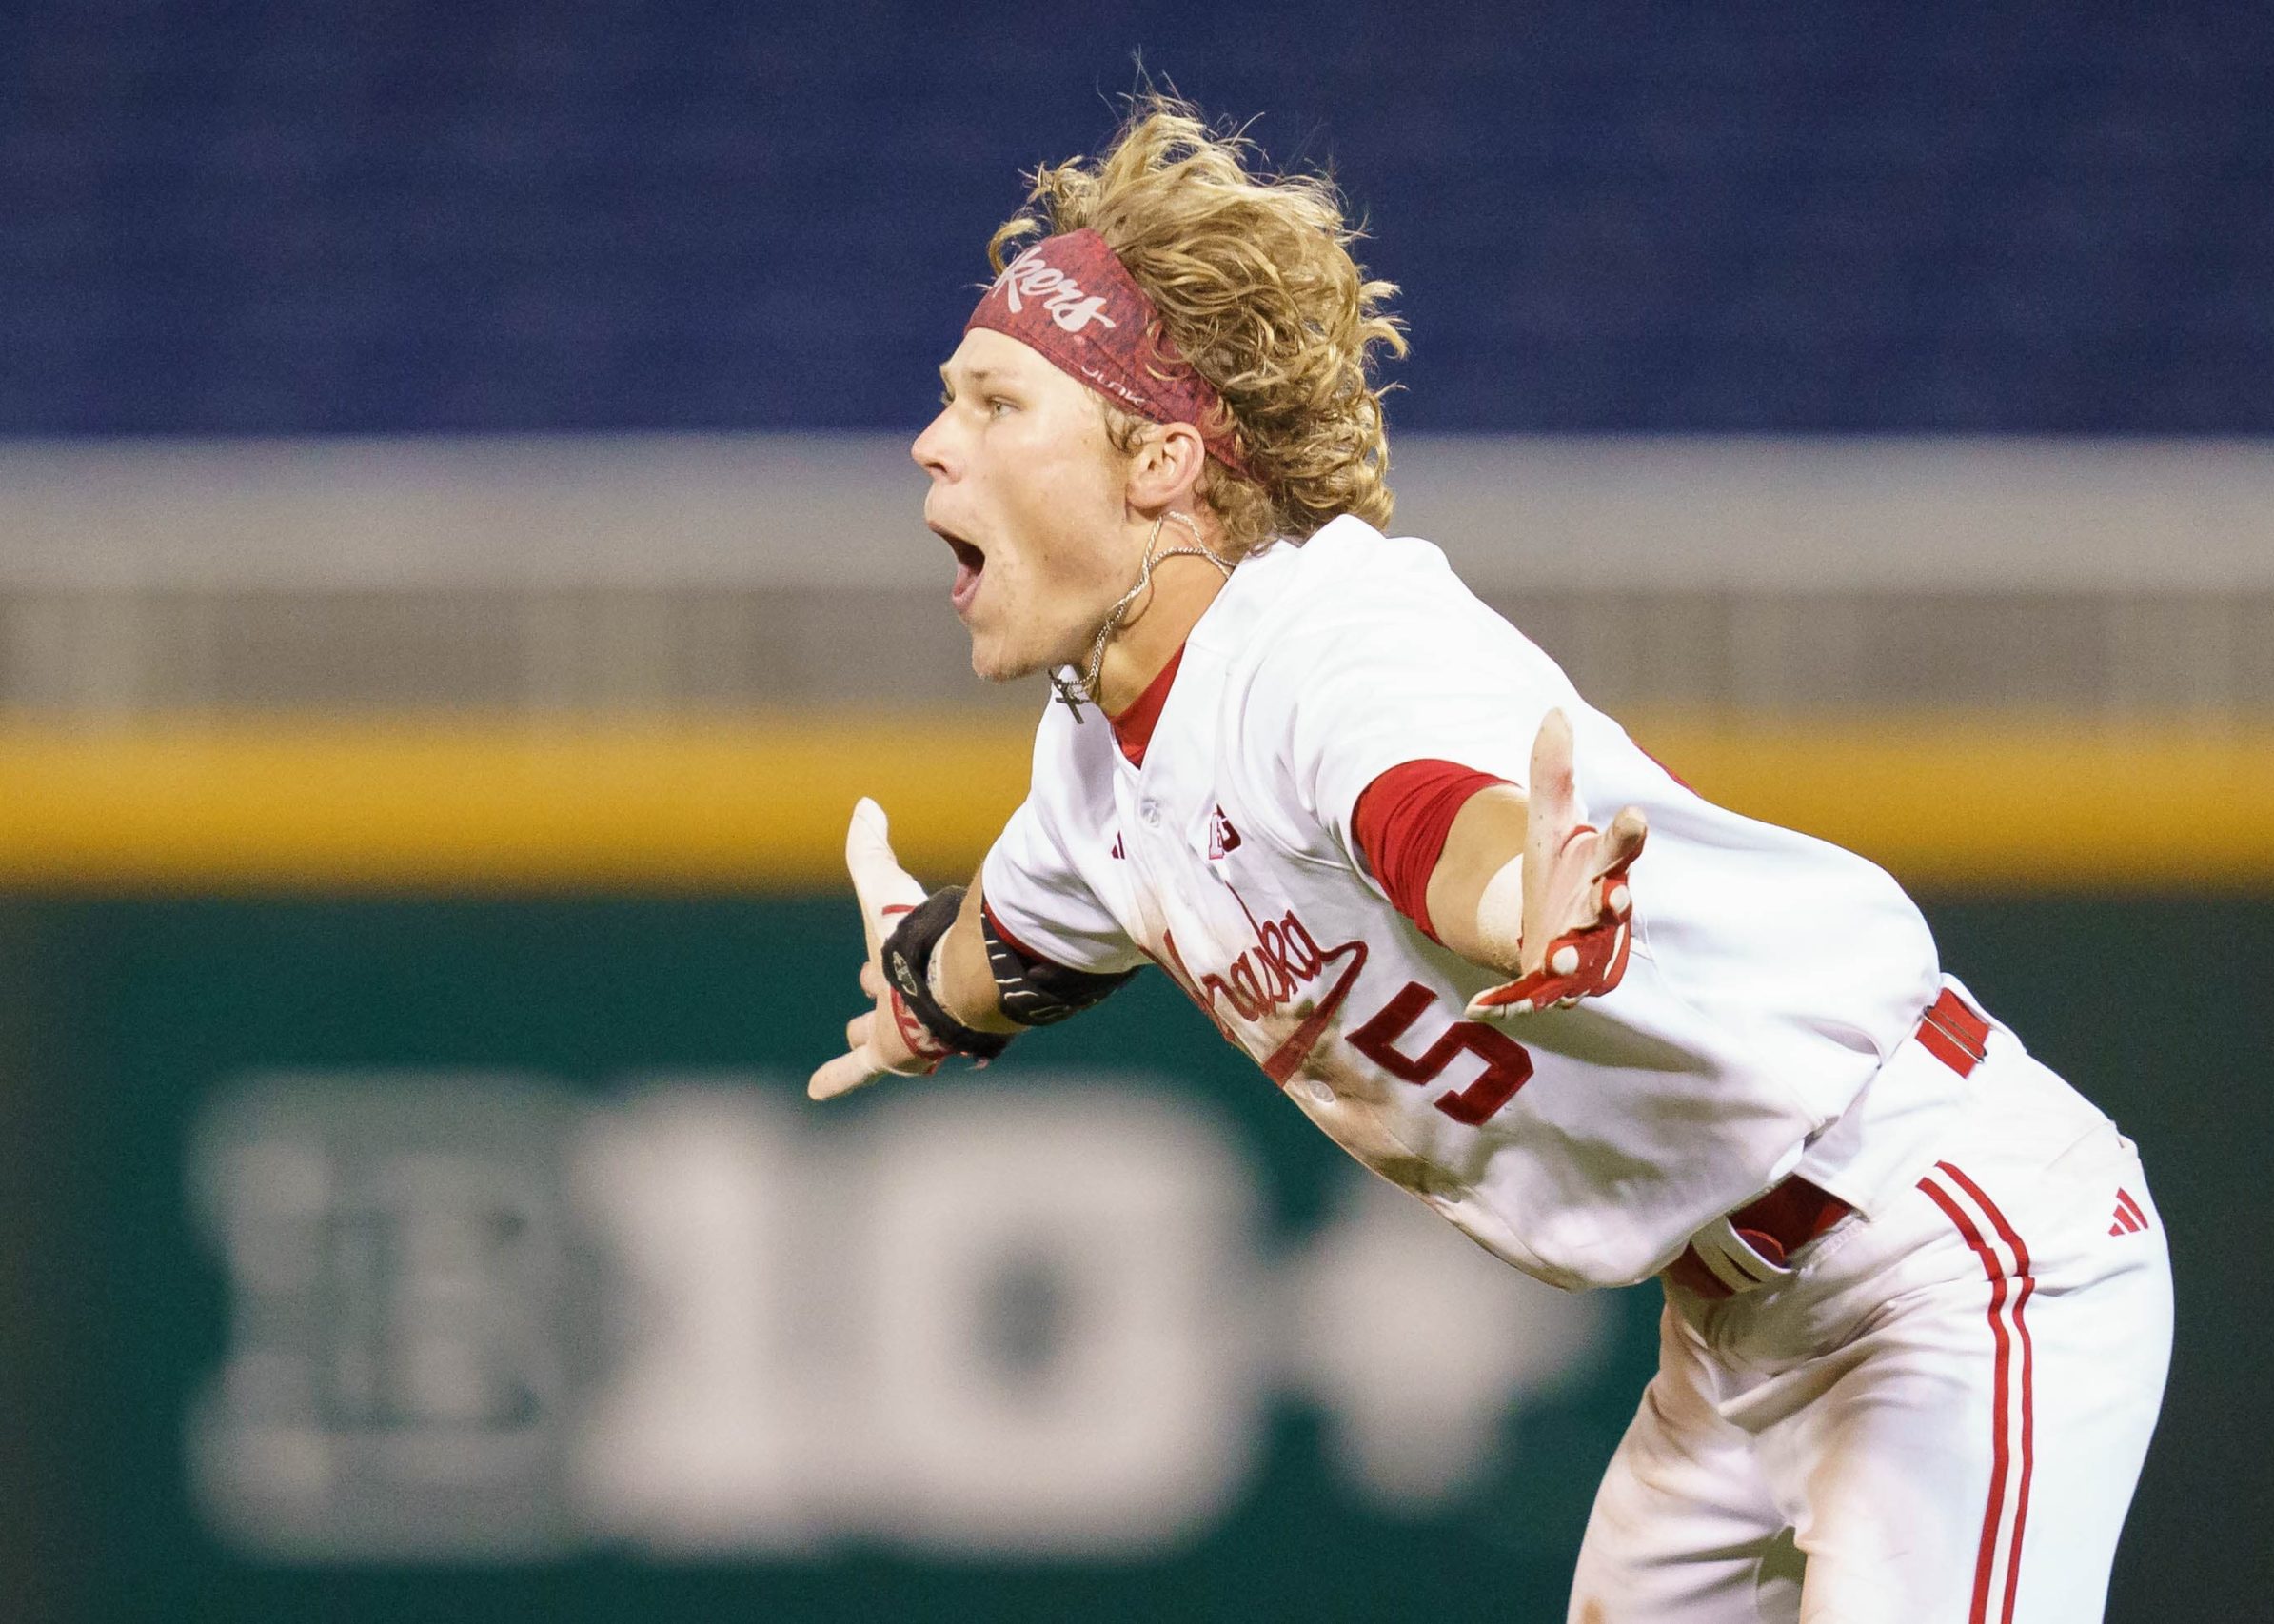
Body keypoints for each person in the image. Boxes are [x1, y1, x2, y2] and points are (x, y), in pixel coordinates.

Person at [809, 95, 2171, 1624]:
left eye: (997, 403)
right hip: (1738, 1336)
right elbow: (1022, 939)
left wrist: (1525, 893)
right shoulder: (1093, 763)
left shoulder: (1328, 640)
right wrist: (925, 988)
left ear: (1161, 463)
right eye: (950, 398)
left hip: (1940, 1239)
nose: (933, 440)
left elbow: (1429, 813)